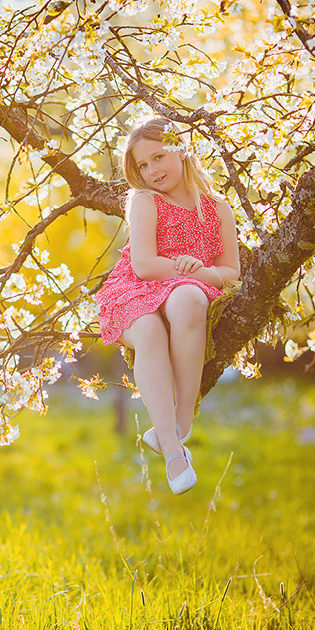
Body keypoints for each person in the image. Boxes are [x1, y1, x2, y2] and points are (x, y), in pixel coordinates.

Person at [95, 116, 241, 495]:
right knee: (149, 331)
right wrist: (184, 268)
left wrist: (202, 272)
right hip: (135, 289)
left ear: (182, 150)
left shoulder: (217, 208)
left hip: (185, 288)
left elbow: (231, 270)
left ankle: (180, 420)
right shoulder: (145, 201)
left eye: (158, 157)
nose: (151, 170)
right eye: (143, 165)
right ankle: (174, 452)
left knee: (190, 299)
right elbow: (143, 265)